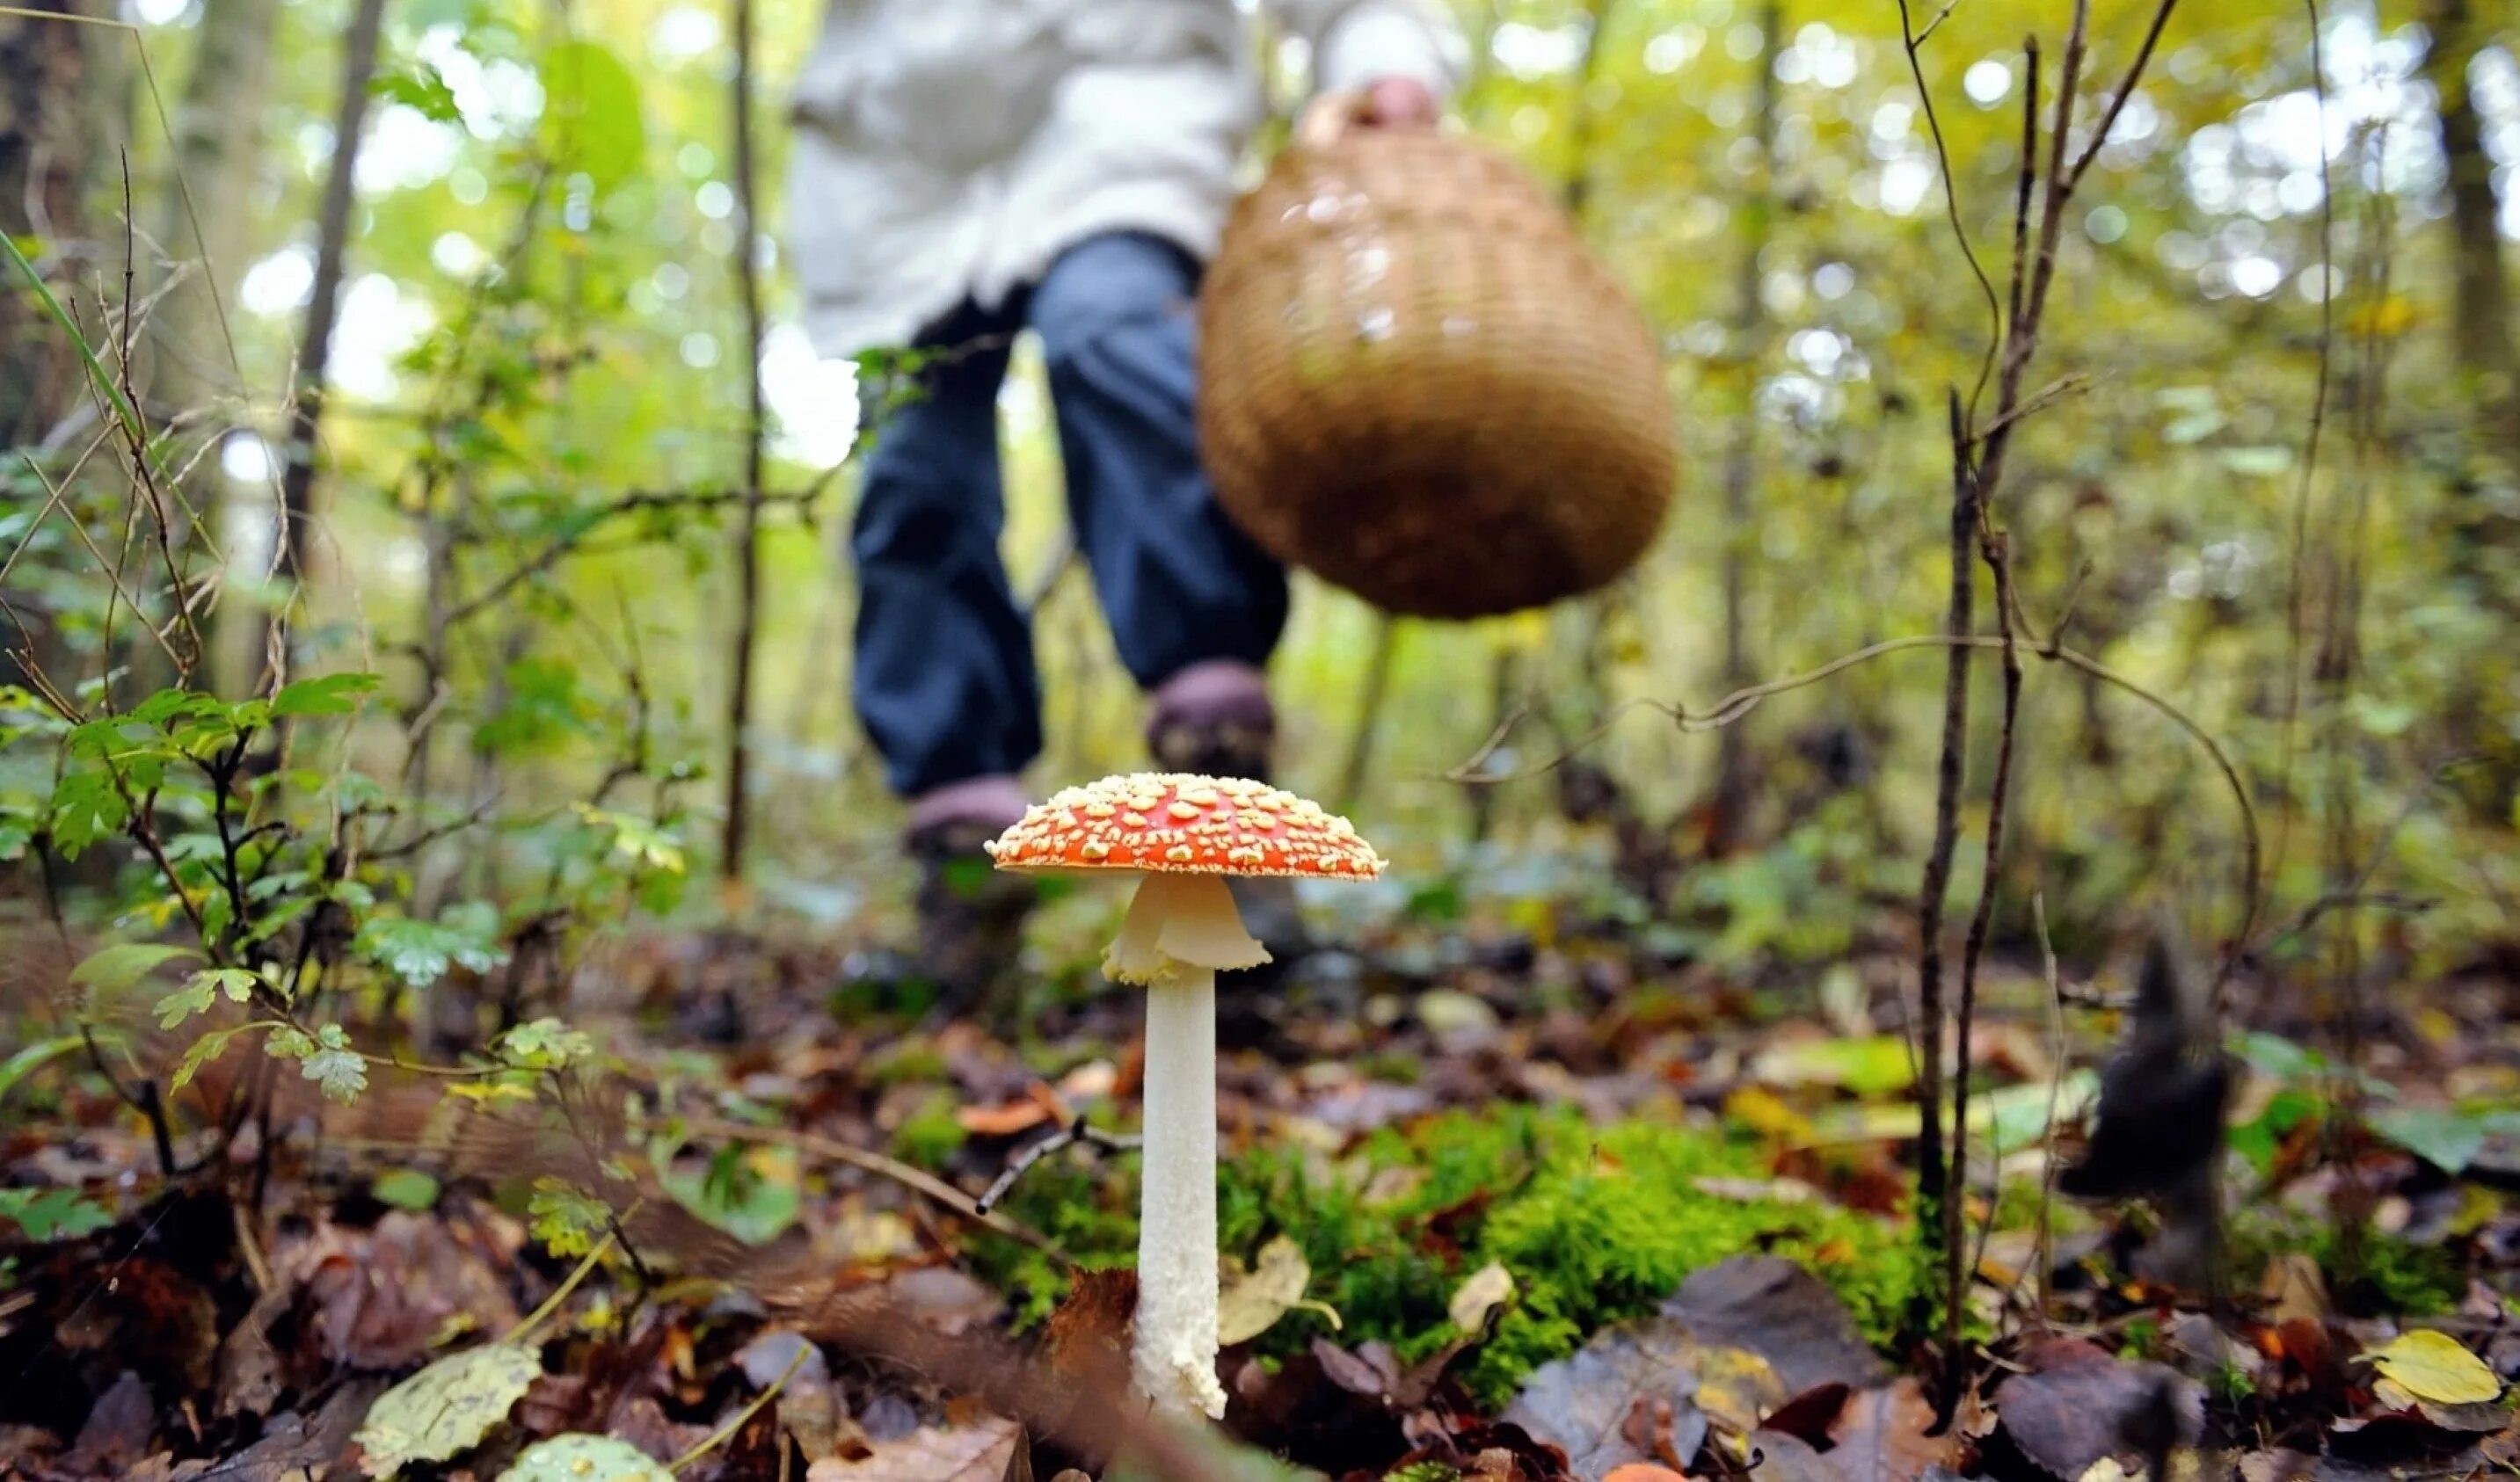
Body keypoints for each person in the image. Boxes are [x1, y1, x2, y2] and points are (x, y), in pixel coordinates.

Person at [786, 1, 1467, 999]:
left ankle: (1222, 804)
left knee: (1114, 335)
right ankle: (963, 866)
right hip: (898, 187)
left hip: (1128, 130)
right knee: (912, 478)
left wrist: (1385, 63)